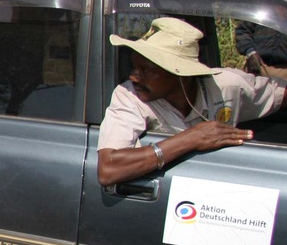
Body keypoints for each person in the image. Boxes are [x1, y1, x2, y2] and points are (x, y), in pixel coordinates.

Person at [97, 17, 285, 185]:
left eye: (147, 70)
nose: (134, 76)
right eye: (134, 66)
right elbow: (108, 170)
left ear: (182, 75)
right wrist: (192, 138)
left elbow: (280, 94)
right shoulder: (129, 96)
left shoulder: (227, 86)